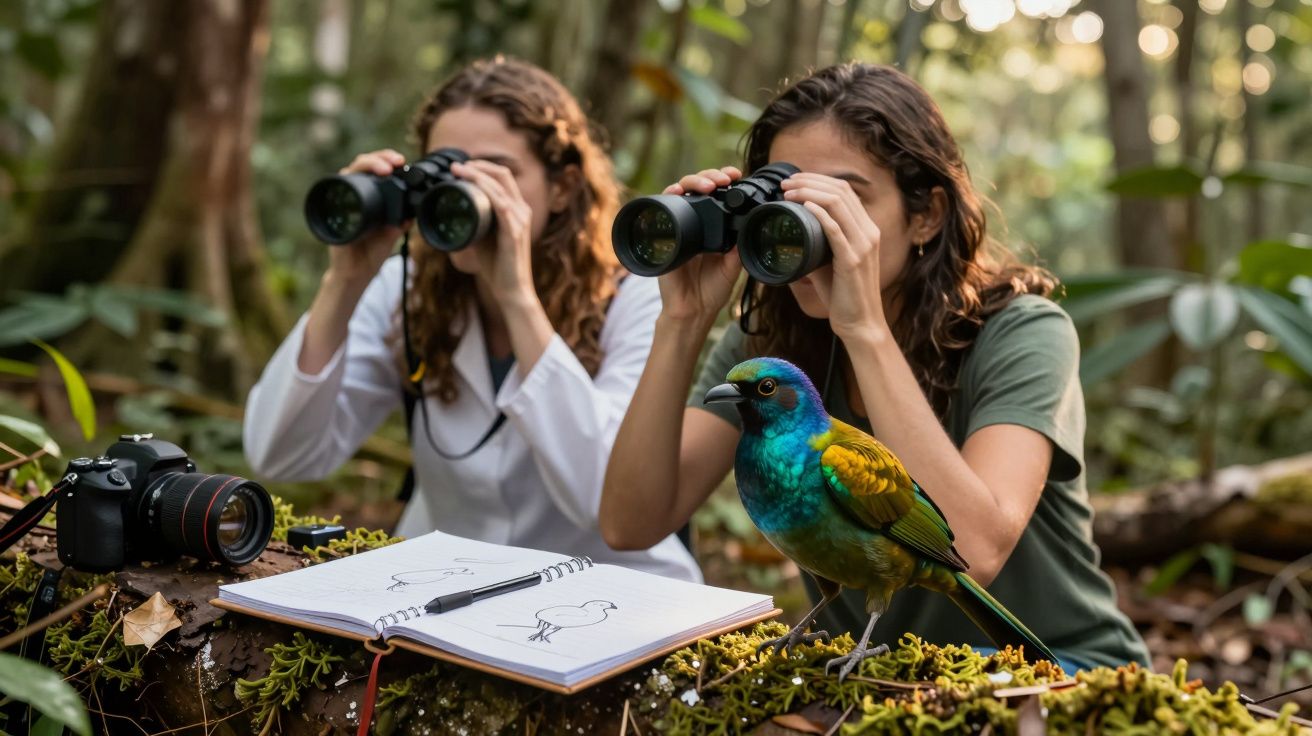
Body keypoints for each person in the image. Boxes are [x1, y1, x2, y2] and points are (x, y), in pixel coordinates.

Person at [600, 62, 1149, 669]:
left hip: (1059, 670)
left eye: (841, 199)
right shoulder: (769, 353)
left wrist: (862, 327)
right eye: (789, 201)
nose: (812, 227)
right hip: (879, 678)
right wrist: (682, 321)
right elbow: (632, 522)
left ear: (926, 216)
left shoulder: (1024, 332)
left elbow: (975, 550)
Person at [245, 57, 700, 582]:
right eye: (450, 170)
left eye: (493, 171)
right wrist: (345, 281)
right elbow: (282, 457)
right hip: (443, 590)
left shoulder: (636, 296)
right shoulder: (407, 289)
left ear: (563, 186)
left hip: (609, 592)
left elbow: (604, 499)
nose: (467, 195)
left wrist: (517, 297)